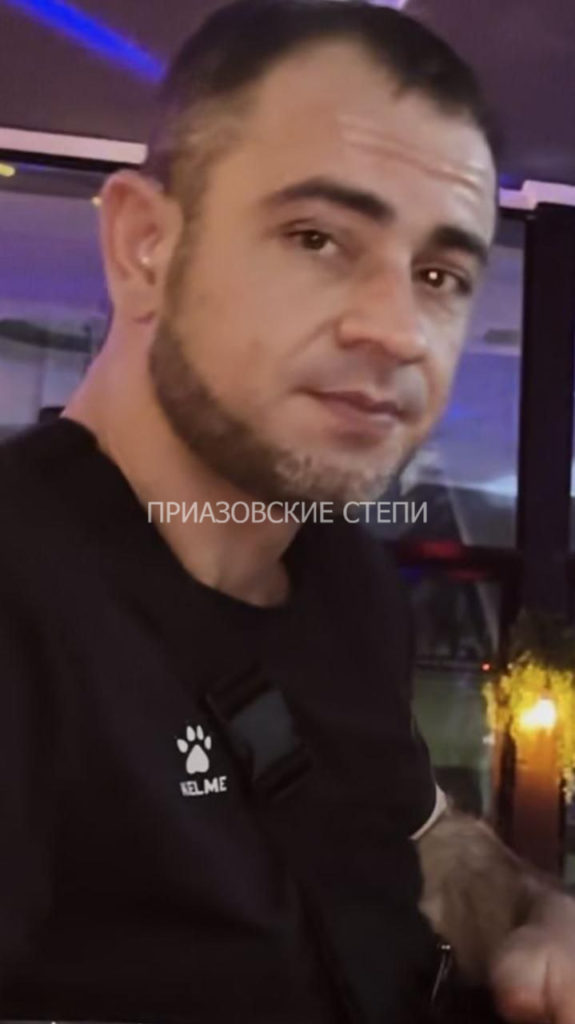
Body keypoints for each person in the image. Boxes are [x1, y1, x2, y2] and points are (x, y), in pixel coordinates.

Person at [1, 1, 574, 1022]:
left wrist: (540, 918)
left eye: (439, 274)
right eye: (316, 237)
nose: (398, 329)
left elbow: (416, 841)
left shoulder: (341, 579)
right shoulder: (24, 603)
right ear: (143, 246)